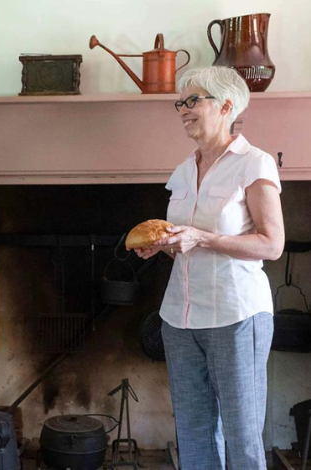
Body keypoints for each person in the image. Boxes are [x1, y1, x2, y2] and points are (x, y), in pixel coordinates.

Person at [134, 66, 284, 469]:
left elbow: (272, 245)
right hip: (179, 318)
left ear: (226, 105)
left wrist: (202, 238)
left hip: (235, 315)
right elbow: (187, 241)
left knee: (242, 434)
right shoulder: (183, 170)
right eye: (180, 102)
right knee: (194, 431)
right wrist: (165, 246)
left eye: (193, 100)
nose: (183, 109)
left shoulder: (255, 163)